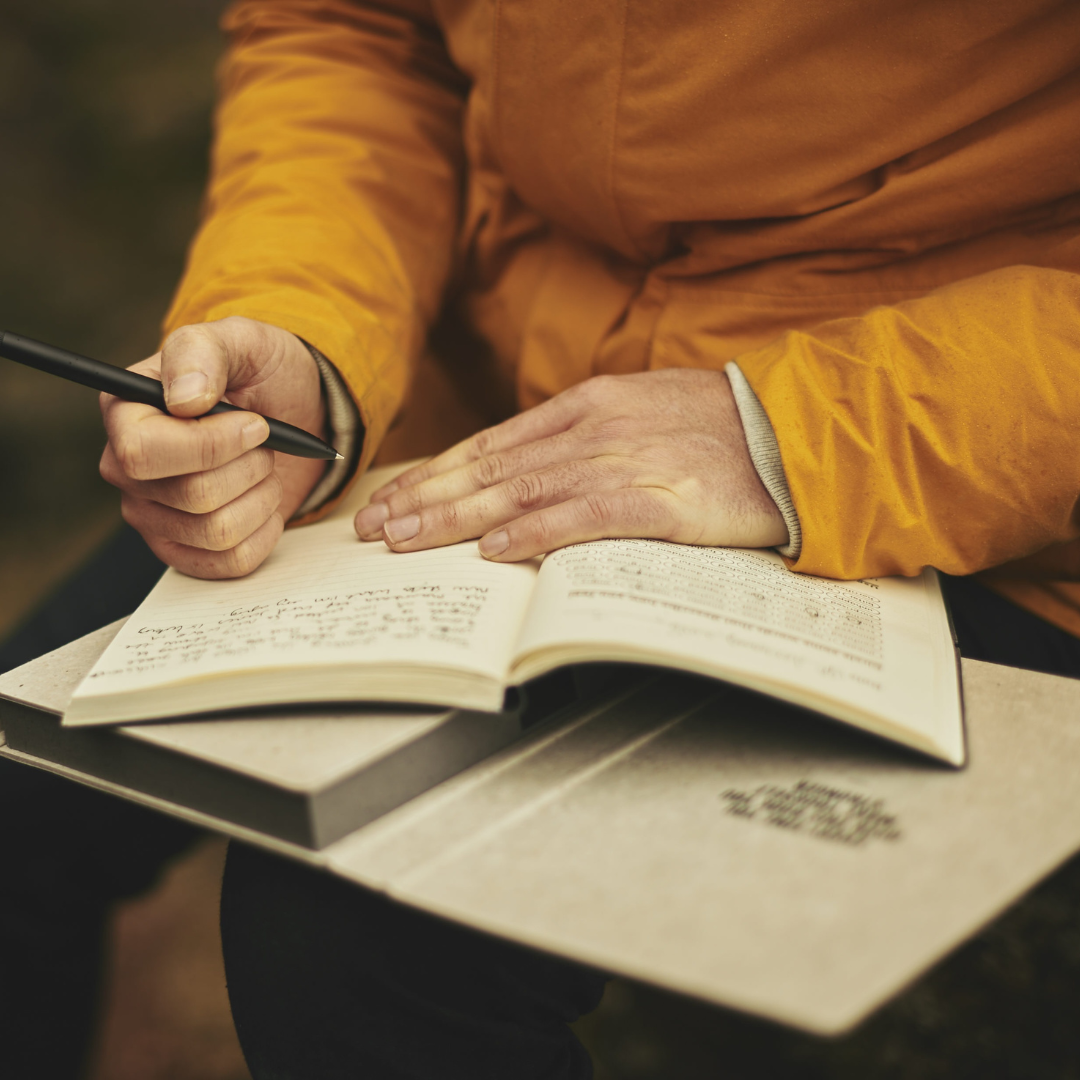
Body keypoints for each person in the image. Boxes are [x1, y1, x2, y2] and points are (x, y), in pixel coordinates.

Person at [4, 1, 1080, 1076]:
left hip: (968, 487)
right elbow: (352, 30)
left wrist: (799, 435)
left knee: (353, 931)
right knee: (18, 778)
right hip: (473, 412)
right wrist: (305, 332)